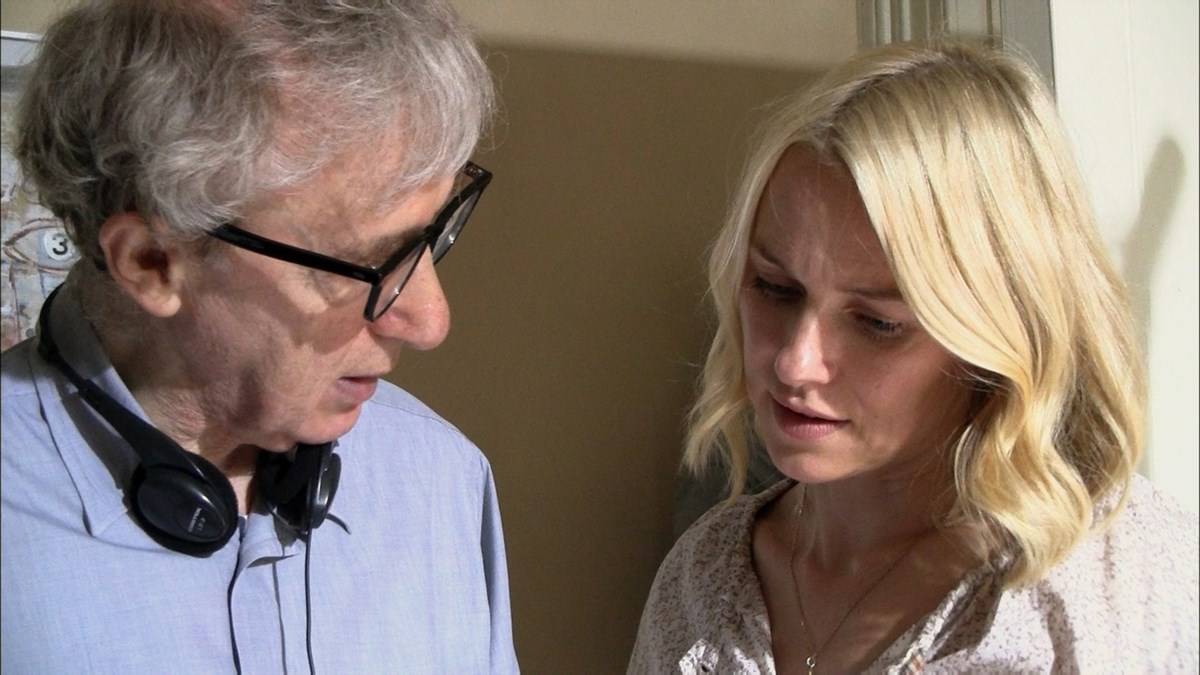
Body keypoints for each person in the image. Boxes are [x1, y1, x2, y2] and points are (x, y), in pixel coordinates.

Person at [629, 40, 1198, 673]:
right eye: (776, 288)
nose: (795, 363)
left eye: (878, 322)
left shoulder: (1113, 580)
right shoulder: (701, 582)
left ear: (999, 328)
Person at [1, 1, 519, 672]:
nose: (430, 320)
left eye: (431, 237)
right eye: (366, 263)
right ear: (151, 262)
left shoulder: (443, 476)